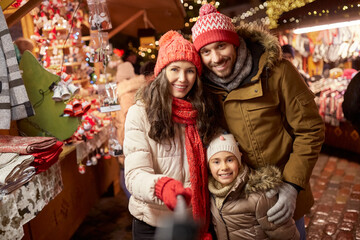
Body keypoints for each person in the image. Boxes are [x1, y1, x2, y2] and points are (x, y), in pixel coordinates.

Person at [191, 4, 325, 239]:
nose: (216, 58)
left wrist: (292, 185)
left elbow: (310, 129)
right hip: (238, 207)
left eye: (221, 46)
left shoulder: (277, 72)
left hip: (282, 197)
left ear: (234, 42)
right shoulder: (203, 89)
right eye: (206, 51)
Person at [123, 30, 221, 240]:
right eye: (174, 69)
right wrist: (161, 186)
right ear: (162, 71)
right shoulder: (140, 113)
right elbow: (134, 175)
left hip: (197, 221)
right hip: (155, 224)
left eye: (190, 71)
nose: (182, 79)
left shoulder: (202, 109)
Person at [207, 133, 300, 240]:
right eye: (216, 162)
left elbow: (286, 234)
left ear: (239, 161)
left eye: (230, 160)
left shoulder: (259, 195)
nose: (224, 167)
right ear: (209, 166)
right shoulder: (211, 194)